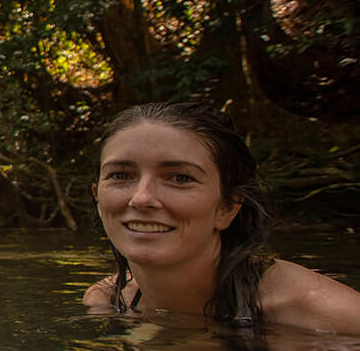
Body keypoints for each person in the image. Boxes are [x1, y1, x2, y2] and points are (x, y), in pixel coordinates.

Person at [84, 102, 360, 332]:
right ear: (97, 195)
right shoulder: (107, 299)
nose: (141, 198)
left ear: (228, 207)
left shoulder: (327, 313)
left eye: (180, 178)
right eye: (121, 175)